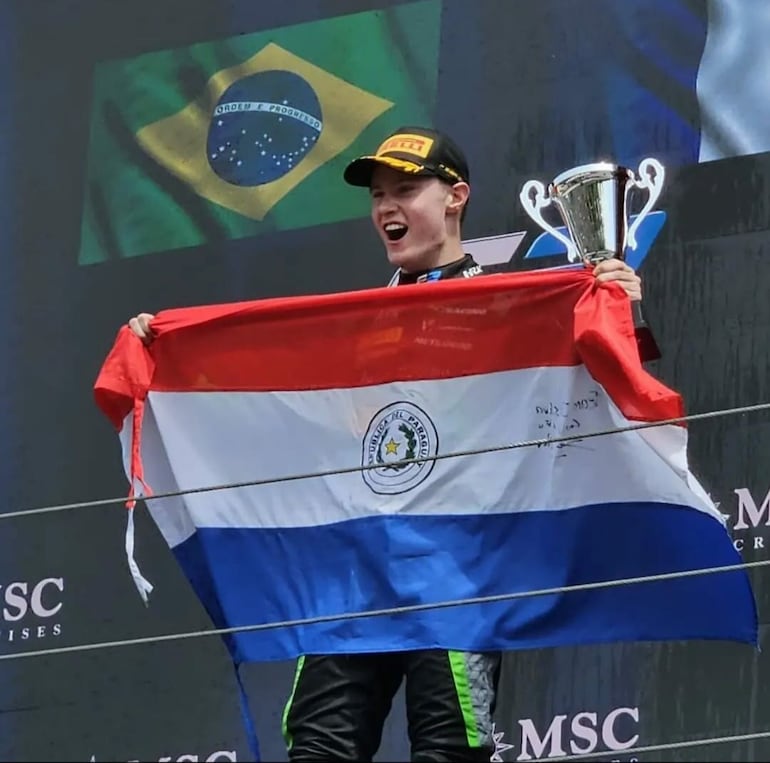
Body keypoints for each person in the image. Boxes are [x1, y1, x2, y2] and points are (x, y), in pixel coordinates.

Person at [126, 125, 654, 761]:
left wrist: (620, 308)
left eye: (406, 189)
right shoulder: (357, 325)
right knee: (319, 747)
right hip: (359, 559)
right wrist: (173, 347)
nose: (386, 208)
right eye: (378, 195)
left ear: (455, 197)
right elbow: (282, 404)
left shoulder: (510, 305)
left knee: (449, 745)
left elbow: (612, 381)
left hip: (460, 561)